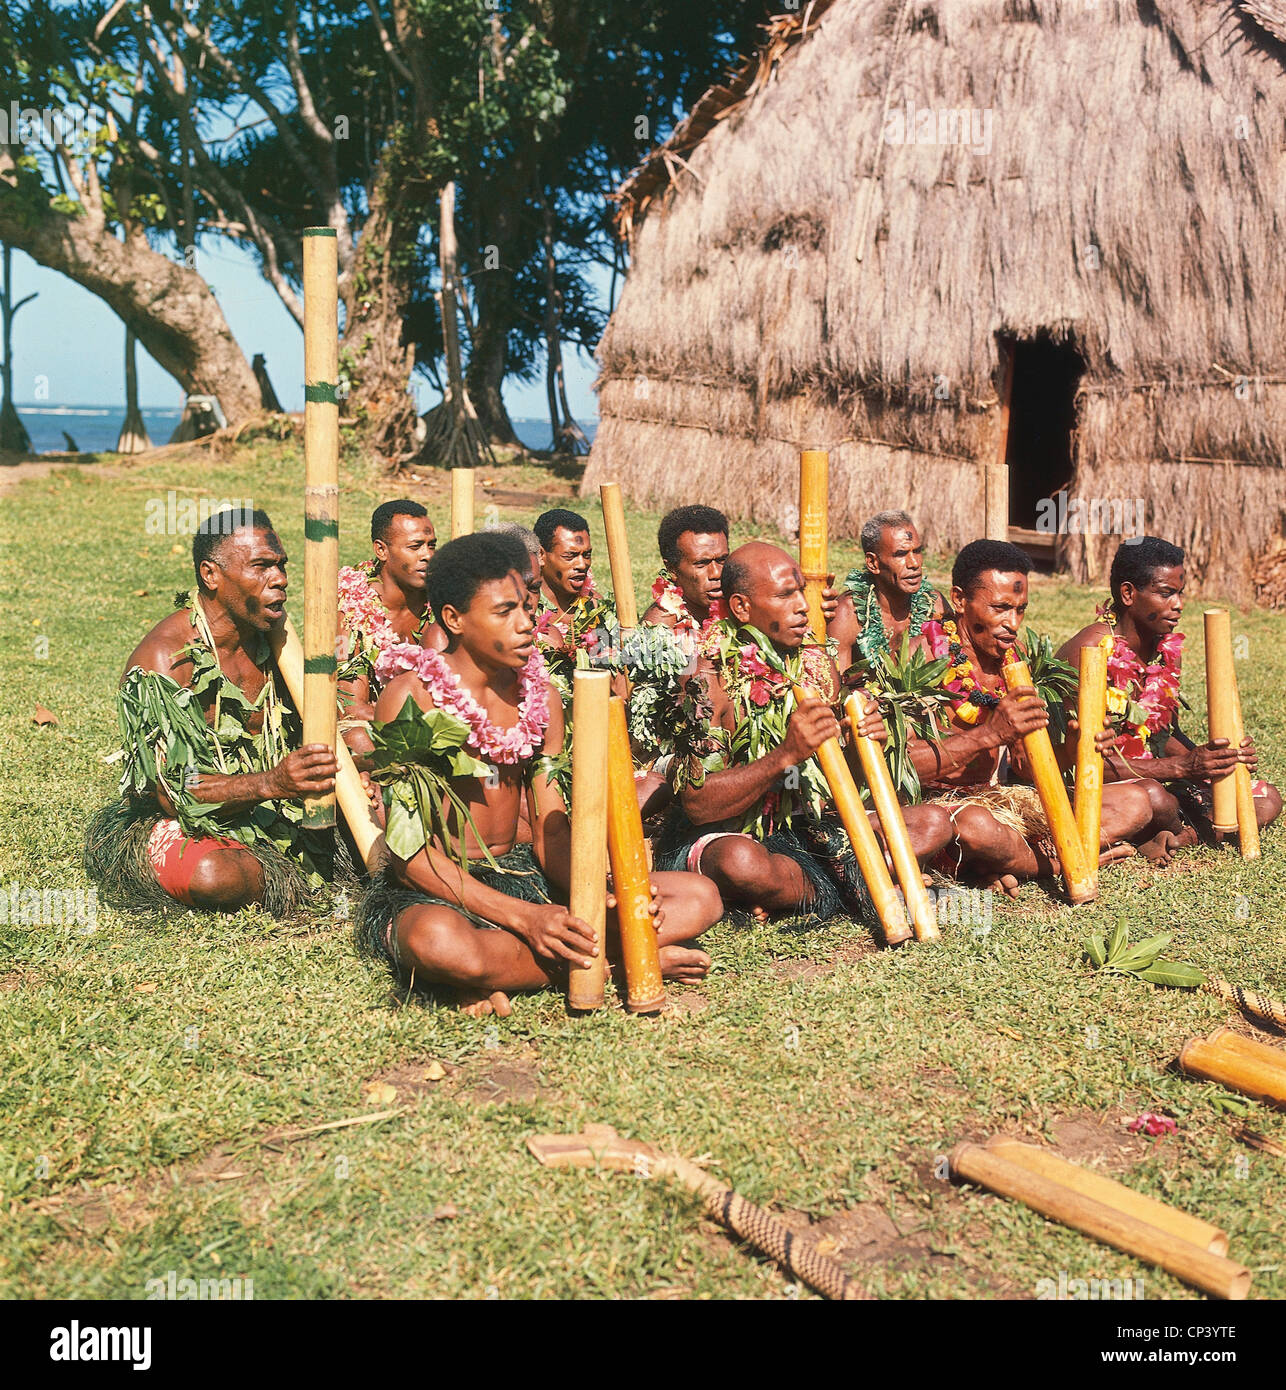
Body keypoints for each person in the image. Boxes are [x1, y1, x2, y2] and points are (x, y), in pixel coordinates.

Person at [356, 532, 722, 1017]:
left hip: (521, 872)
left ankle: (514, 968)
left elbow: (551, 831)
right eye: (504, 612)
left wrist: (604, 890)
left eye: (527, 608)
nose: (527, 624)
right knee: (440, 944)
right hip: (439, 887)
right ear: (454, 619)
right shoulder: (411, 697)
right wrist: (527, 918)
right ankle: (620, 960)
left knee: (699, 897)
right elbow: (410, 857)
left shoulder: (541, 698)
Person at [654, 541, 953, 924]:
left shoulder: (816, 665)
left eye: (800, 591)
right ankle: (855, 886)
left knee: (932, 823)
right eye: (785, 595)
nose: (803, 606)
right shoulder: (705, 679)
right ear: (742, 608)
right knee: (740, 863)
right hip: (731, 834)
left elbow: (839, 784)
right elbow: (698, 805)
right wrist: (786, 756)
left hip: (805, 824)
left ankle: (808, 890)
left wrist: (865, 744)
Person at [84, 509, 338, 914]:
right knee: (213, 875)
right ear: (211, 575)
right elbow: (174, 792)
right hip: (188, 820)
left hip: (277, 805)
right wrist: (272, 783)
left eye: (281, 566)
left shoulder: (276, 641)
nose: (280, 580)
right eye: (261, 567)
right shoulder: (164, 661)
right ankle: (278, 873)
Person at [910, 540, 1155, 896]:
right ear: (960, 600)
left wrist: (1075, 747)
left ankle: (1003, 860)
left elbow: (1027, 767)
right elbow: (901, 766)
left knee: (1135, 803)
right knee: (976, 826)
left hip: (1001, 801)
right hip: (940, 810)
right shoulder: (923, 655)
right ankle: (1058, 862)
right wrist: (988, 735)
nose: (1012, 623)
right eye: (1000, 608)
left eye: (1020, 610)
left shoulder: (1016, 659)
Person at [1056, 536, 1281, 856]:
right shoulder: (1089, 652)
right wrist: (1180, 768)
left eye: (1180, 592)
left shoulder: (1164, 647)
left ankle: (1182, 835)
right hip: (1094, 782)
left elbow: (1164, 733)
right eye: (1166, 593)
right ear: (1128, 593)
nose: (1179, 604)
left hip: (1148, 771)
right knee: (1156, 798)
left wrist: (1220, 760)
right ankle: (1183, 829)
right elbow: (1080, 764)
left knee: (1267, 797)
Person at [337, 501, 438, 765]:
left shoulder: (441, 603)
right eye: (415, 547)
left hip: (433, 723)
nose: (427, 555)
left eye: (431, 545)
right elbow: (349, 707)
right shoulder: (351, 607)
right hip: (373, 726)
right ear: (381, 550)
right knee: (359, 741)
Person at [829, 510, 945, 678]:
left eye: (917, 551)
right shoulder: (848, 613)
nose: (914, 563)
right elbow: (836, 688)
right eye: (900, 554)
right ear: (873, 563)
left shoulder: (935, 606)